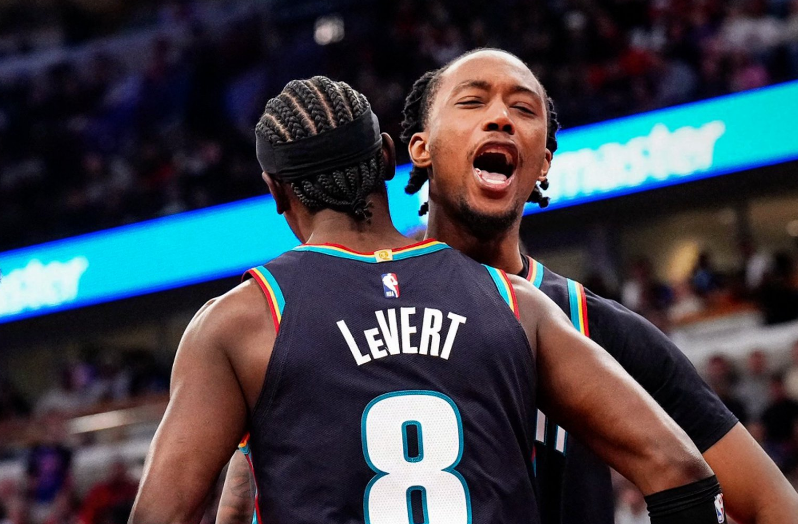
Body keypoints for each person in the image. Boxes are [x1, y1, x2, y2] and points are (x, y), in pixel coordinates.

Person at [131, 76, 726, 524]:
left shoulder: (243, 322)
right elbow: (677, 468)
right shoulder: (513, 300)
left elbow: (163, 514)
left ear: (276, 191)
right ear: (387, 157)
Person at [397, 48, 798, 523]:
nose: (501, 117)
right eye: (472, 101)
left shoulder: (599, 326)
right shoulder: (355, 306)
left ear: (543, 163)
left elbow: (773, 504)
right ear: (421, 147)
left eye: (523, 108)